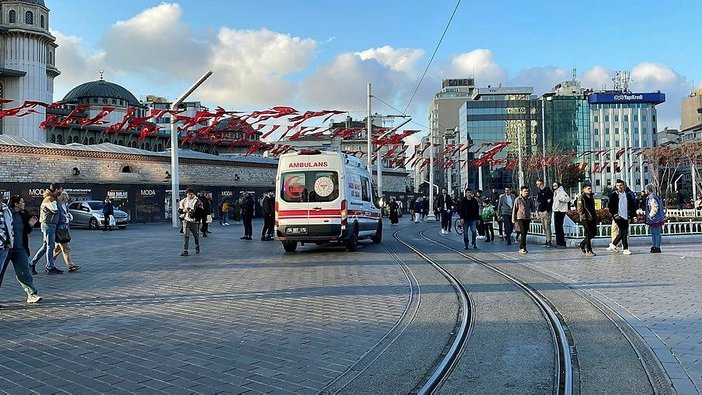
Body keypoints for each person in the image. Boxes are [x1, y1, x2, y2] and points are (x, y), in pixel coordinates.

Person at [0, 194, 42, 306]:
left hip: (20, 248)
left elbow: (26, 231)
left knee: (24, 271)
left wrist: (30, 225)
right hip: (5, 248)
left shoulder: (23, 215)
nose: (24, 204)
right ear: (16, 204)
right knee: (0, 273)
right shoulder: (7, 213)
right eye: (22, 202)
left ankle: (32, 294)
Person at [31, 183, 63, 274]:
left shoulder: (52, 198)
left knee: (46, 246)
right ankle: (50, 267)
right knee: (50, 246)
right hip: (48, 225)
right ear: (56, 189)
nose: (61, 191)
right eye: (60, 189)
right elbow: (55, 210)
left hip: (50, 224)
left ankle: (32, 263)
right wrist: (59, 201)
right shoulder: (50, 199)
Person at [52, 191, 80, 272]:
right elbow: (59, 217)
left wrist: (68, 216)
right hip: (60, 229)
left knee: (58, 249)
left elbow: (66, 213)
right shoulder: (58, 205)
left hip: (65, 229)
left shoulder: (65, 205)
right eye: (66, 196)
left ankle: (50, 262)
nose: (68, 198)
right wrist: (66, 218)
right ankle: (70, 265)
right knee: (66, 248)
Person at [607, 179, 637, 255]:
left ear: (624, 186)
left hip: (626, 216)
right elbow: (611, 206)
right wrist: (614, 214)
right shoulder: (614, 195)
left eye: (621, 185)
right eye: (617, 185)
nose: (619, 187)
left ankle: (613, 244)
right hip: (618, 216)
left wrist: (634, 215)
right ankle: (625, 249)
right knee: (624, 231)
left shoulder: (628, 195)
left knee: (623, 232)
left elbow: (632, 206)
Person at [178, 188, 203, 256]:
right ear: (187, 194)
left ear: (193, 194)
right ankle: (185, 250)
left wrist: (194, 214)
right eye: (189, 194)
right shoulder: (184, 201)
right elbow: (179, 210)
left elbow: (201, 211)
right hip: (186, 220)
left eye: (191, 194)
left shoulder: (197, 201)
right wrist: (184, 210)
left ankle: (197, 246)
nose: (190, 195)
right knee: (186, 235)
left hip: (194, 222)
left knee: (196, 236)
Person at [512, 186, 535, 254]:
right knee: (523, 232)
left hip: (527, 217)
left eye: (527, 191)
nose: (526, 192)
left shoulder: (529, 199)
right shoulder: (518, 199)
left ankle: (523, 247)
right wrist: (513, 218)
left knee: (525, 233)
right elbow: (514, 209)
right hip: (520, 218)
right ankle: (522, 247)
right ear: (521, 192)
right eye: (525, 191)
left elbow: (533, 207)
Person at [577, 184, 597, 257]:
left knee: (593, 233)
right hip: (585, 218)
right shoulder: (581, 197)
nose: (590, 190)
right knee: (588, 234)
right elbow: (579, 208)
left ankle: (582, 243)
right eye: (588, 189)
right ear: (584, 189)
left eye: (590, 188)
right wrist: (583, 216)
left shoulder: (591, 197)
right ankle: (589, 250)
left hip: (592, 217)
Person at [644, 184, 665, 253]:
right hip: (656, 218)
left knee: (656, 233)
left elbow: (654, 207)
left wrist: (650, 215)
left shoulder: (652, 197)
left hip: (655, 218)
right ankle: (655, 245)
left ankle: (657, 247)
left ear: (648, 190)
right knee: (653, 232)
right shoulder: (655, 197)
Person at [535, 179, 553, 247]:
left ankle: (549, 241)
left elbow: (549, 201)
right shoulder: (539, 192)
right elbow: (538, 202)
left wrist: (547, 209)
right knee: (544, 227)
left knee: (547, 226)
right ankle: (547, 239)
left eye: (538, 184)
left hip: (546, 211)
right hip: (541, 211)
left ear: (541, 183)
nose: (537, 186)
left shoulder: (547, 190)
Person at [552, 182, 570, 248]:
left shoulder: (562, 192)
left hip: (560, 211)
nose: (554, 186)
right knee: (557, 228)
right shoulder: (555, 192)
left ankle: (561, 243)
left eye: (555, 185)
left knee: (559, 227)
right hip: (556, 210)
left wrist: (561, 199)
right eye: (553, 185)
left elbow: (567, 199)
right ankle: (558, 242)